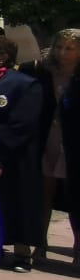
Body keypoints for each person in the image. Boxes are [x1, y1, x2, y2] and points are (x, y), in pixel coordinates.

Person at [0, 34, 43, 272]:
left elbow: (23, 123)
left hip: (15, 155)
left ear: (2, 57)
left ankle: (23, 254)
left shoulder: (23, 83)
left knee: (18, 202)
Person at [30, 29, 80, 264]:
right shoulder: (43, 71)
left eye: (70, 48)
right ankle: (39, 244)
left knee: (74, 195)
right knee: (43, 193)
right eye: (60, 46)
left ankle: (78, 248)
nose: (63, 52)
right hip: (49, 136)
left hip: (74, 140)